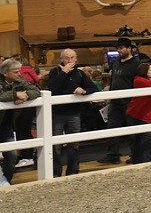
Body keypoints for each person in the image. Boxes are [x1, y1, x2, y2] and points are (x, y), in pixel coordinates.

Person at [47, 48, 100, 177]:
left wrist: (83, 91)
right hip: (57, 113)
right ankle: (55, 172)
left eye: (72, 58)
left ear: (76, 59)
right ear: (62, 60)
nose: (70, 61)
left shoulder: (79, 73)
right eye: (67, 58)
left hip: (74, 113)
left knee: (74, 145)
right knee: (56, 146)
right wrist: (63, 73)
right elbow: (52, 88)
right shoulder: (55, 72)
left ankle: (73, 171)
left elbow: (93, 87)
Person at [1, 57, 41, 187]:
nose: (20, 74)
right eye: (16, 72)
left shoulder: (19, 80)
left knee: (11, 155)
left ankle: (6, 180)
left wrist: (26, 95)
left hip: (6, 125)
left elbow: (36, 91)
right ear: (5, 73)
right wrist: (16, 95)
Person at [102, 36, 141, 164]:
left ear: (129, 48)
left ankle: (135, 154)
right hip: (116, 100)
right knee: (112, 127)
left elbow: (138, 82)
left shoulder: (136, 64)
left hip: (129, 100)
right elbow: (113, 79)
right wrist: (110, 95)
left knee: (132, 128)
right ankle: (112, 154)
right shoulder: (117, 62)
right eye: (118, 48)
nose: (119, 50)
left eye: (121, 48)